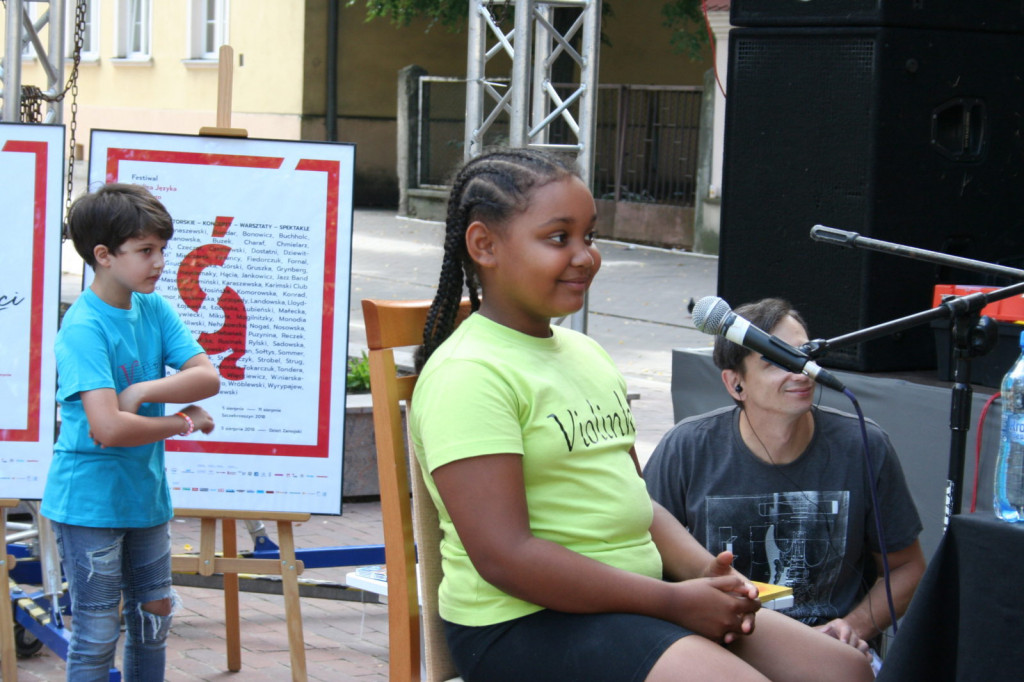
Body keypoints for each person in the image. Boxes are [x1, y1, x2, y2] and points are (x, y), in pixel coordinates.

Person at [408, 149, 873, 682]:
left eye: (590, 236)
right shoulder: (469, 374)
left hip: (632, 605)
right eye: (560, 238)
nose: (585, 256)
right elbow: (506, 557)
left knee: (844, 671)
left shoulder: (585, 353)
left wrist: (705, 573)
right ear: (484, 245)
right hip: (523, 623)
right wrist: (672, 603)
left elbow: (634, 501)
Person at [644, 297, 926, 662]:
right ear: (735, 384)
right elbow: (645, 561)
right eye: (776, 360)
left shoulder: (864, 444)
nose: (801, 370)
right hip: (722, 648)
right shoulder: (687, 447)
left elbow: (907, 567)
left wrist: (853, 627)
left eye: (804, 354)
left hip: (830, 652)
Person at [41, 183, 220, 681]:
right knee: (97, 633)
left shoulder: (153, 308)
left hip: (145, 497)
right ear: (103, 255)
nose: (160, 261)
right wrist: (184, 421)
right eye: (145, 251)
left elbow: (207, 376)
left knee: (154, 618)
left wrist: (141, 390)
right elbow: (108, 428)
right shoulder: (82, 328)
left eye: (162, 249)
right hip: (89, 503)